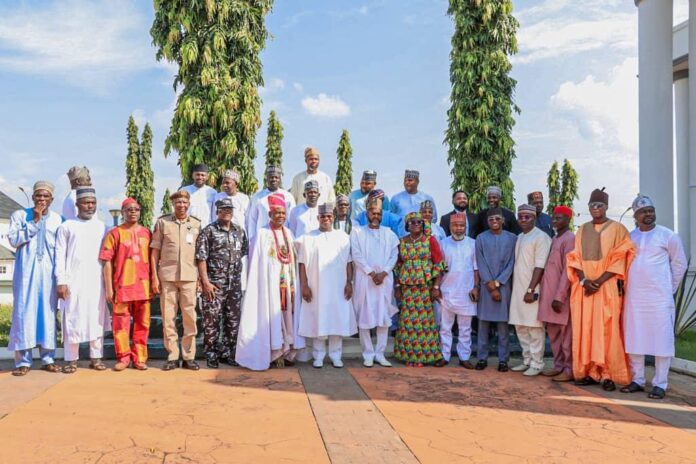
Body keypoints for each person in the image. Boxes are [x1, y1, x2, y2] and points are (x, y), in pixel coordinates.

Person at [567, 188, 635, 391]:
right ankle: (587, 371)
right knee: (585, 329)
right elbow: (575, 257)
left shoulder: (618, 229)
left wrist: (598, 281)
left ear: (606, 207)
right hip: (585, 289)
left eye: (599, 205)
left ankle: (608, 374)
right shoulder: (582, 229)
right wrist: (584, 280)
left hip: (606, 288)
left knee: (607, 330)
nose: (595, 209)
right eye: (592, 206)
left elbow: (620, 258)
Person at [621, 195, 687, 400]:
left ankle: (660, 383)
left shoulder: (668, 236)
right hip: (634, 297)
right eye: (643, 211)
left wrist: (668, 289)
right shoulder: (630, 237)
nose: (648, 214)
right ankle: (638, 380)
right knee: (635, 337)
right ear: (636, 215)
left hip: (659, 299)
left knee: (662, 340)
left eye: (651, 210)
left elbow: (680, 265)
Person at [236, 193, 305, 370]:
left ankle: (287, 350)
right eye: (277, 213)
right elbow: (258, 263)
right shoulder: (262, 234)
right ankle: (274, 352)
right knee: (271, 315)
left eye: (283, 213)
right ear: (270, 215)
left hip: (288, 284)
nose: (280, 216)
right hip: (269, 285)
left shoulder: (288, 233)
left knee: (287, 316)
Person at [8, 181, 63, 376]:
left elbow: (61, 249)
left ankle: (48, 359)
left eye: (45, 196)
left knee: (47, 315)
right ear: (33, 197)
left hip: (49, 275)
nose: (41, 199)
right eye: (38, 196)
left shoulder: (58, 220)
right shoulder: (20, 216)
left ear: (51, 199)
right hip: (25, 275)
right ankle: (23, 361)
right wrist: (35, 222)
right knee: (24, 314)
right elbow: (13, 240)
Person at [296, 203, 357, 368]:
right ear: (318, 218)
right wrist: (304, 286)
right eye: (323, 216)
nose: (326, 219)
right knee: (319, 318)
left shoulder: (343, 236)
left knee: (337, 319)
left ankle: (336, 355)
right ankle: (318, 356)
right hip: (316, 287)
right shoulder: (308, 238)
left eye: (329, 216)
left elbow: (349, 262)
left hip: (338, 287)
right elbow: (302, 264)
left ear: (333, 217)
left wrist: (349, 282)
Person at [55, 188, 108, 373]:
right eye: (86, 203)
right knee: (72, 318)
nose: (90, 206)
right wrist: (61, 281)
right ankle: (71, 359)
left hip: (96, 281)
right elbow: (59, 255)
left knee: (97, 318)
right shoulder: (67, 226)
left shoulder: (102, 227)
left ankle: (96, 357)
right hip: (73, 281)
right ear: (77, 205)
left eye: (93, 203)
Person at [99, 198, 153, 371]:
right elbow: (106, 262)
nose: (133, 212)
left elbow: (153, 259)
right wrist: (109, 288)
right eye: (129, 209)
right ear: (122, 212)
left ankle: (140, 358)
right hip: (122, 288)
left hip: (143, 288)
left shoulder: (146, 233)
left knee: (143, 324)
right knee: (120, 325)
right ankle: (123, 357)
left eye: (136, 209)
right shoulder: (114, 233)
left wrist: (154, 283)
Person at [151, 189, 201, 371]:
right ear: (173, 204)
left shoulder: (196, 224)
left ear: (189, 204)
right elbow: (155, 251)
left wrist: (200, 279)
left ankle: (188, 356)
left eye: (184, 202)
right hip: (168, 276)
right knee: (168, 317)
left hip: (189, 277)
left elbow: (200, 255)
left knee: (190, 318)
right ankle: (172, 355)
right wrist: (154, 276)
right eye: (178, 202)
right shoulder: (163, 223)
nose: (181, 205)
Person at [196, 197, 248, 368]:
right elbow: (201, 258)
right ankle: (211, 353)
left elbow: (243, 253)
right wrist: (205, 282)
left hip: (234, 285)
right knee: (211, 321)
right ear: (217, 211)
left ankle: (228, 352)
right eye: (223, 209)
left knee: (232, 321)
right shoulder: (208, 231)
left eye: (229, 209)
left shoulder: (239, 231)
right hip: (214, 285)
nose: (227, 212)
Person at [350, 199, 400, 367]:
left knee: (383, 317)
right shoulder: (357, 232)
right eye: (373, 212)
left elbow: (394, 256)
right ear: (366, 213)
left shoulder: (390, 233)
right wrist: (372, 273)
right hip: (365, 280)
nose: (376, 216)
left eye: (379, 213)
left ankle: (380, 353)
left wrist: (384, 273)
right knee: (365, 317)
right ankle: (368, 354)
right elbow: (356, 255)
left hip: (384, 282)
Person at [393, 212, 446, 366]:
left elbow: (439, 264)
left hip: (425, 288)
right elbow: (398, 266)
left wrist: (436, 286)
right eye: (412, 222)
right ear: (407, 225)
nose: (416, 224)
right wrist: (397, 286)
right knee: (407, 322)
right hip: (408, 288)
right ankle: (409, 356)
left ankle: (424, 356)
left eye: (419, 222)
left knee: (425, 323)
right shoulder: (402, 242)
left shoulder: (430, 240)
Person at [509, 204, 552, 376]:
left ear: (534, 218)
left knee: (534, 328)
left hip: (532, 289)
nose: (523, 220)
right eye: (520, 217)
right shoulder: (520, 237)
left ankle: (537, 363)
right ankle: (527, 360)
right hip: (518, 288)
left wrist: (531, 289)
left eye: (527, 217)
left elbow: (540, 266)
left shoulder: (541, 237)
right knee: (520, 325)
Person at [474, 208, 517, 371]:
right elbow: (480, 262)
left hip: (504, 286)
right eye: (491, 219)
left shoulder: (512, 238)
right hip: (486, 287)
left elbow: (512, 263)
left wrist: (498, 283)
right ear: (487, 221)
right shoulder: (480, 238)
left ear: (503, 220)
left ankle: (503, 360)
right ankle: (482, 358)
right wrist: (490, 284)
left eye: (497, 218)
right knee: (483, 324)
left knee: (503, 325)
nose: (494, 221)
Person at [538, 206, 575, 382]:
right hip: (548, 296)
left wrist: (559, 297)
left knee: (566, 335)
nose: (555, 221)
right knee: (553, 333)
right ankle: (559, 365)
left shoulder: (570, 239)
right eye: (554, 218)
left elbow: (568, 270)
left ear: (568, 220)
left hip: (561, 298)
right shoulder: (555, 238)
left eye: (559, 218)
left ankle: (569, 369)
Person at [439, 213, 479, 368]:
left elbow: (476, 269)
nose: (458, 228)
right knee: (445, 327)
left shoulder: (473, 244)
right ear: (450, 227)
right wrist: (437, 287)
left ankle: (464, 357)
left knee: (465, 328)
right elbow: (439, 269)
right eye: (455, 225)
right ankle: (444, 355)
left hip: (466, 292)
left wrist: (476, 287)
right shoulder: (443, 244)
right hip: (447, 291)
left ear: (465, 227)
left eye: (461, 226)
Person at [246, 166, 295, 243]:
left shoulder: (288, 196)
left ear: (280, 179)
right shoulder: (257, 197)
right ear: (267, 178)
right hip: (262, 238)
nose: (274, 179)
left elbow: (291, 220)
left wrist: (290, 239)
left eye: (276, 177)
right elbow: (252, 220)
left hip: (282, 237)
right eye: (271, 177)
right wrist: (252, 240)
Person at [181, 163, 217, 227]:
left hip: (207, 228)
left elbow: (215, 213)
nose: (200, 177)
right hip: (188, 227)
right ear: (193, 175)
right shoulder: (184, 191)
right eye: (197, 174)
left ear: (207, 177)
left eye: (203, 175)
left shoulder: (213, 192)